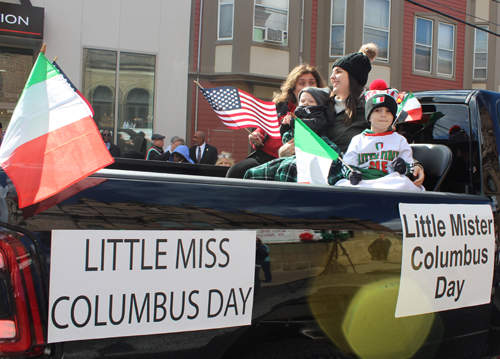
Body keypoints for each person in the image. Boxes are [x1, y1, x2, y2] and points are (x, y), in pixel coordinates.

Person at [245, 44, 425, 186]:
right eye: (332, 72)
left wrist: (415, 165)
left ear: (352, 77)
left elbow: (390, 141)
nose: (332, 77)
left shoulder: (369, 111)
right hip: (311, 158)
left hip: (344, 168)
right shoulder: (322, 104)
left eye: (338, 71)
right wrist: (283, 151)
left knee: (290, 169)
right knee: (251, 174)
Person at [226, 63, 327, 178]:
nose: (307, 86)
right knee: (235, 172)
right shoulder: (280, 107)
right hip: (266, 155)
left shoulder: (321, 111)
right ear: (293, 88)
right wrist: (256, 137)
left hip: (297, 161)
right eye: (302, 83)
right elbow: (262, 130)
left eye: (312, 82)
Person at [335, 91, 424, 191]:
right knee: (341, 186)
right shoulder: (358, 139)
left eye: (388, 111)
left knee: (405, 184)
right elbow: (348, 165)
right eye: (378, 110)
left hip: (391, 181)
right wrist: (351, 174)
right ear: (369, 117)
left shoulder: (400, 140)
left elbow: (410, 167)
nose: (383, 115)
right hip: (363, 182)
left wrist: (404, 168)